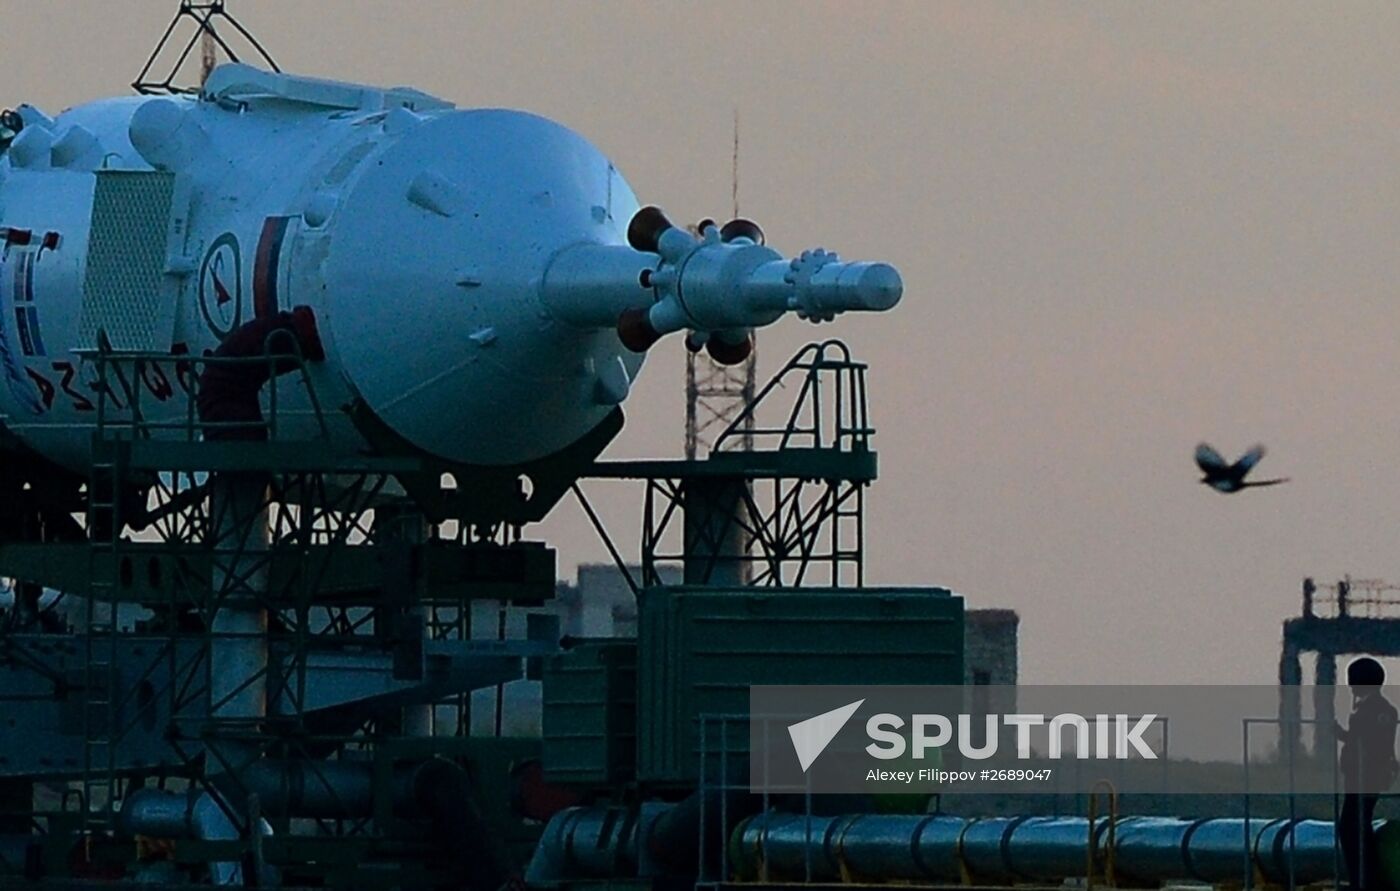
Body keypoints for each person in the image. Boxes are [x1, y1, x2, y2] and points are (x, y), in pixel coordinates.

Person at [1335, 656, 1398, 891]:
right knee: (1355, 826)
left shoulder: (1375, 710)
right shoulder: (1380, 709)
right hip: (1363, 776)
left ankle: (1365, 880)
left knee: (1352, 828)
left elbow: (1370, 743)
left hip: (1366, 777)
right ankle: (1364, 879)